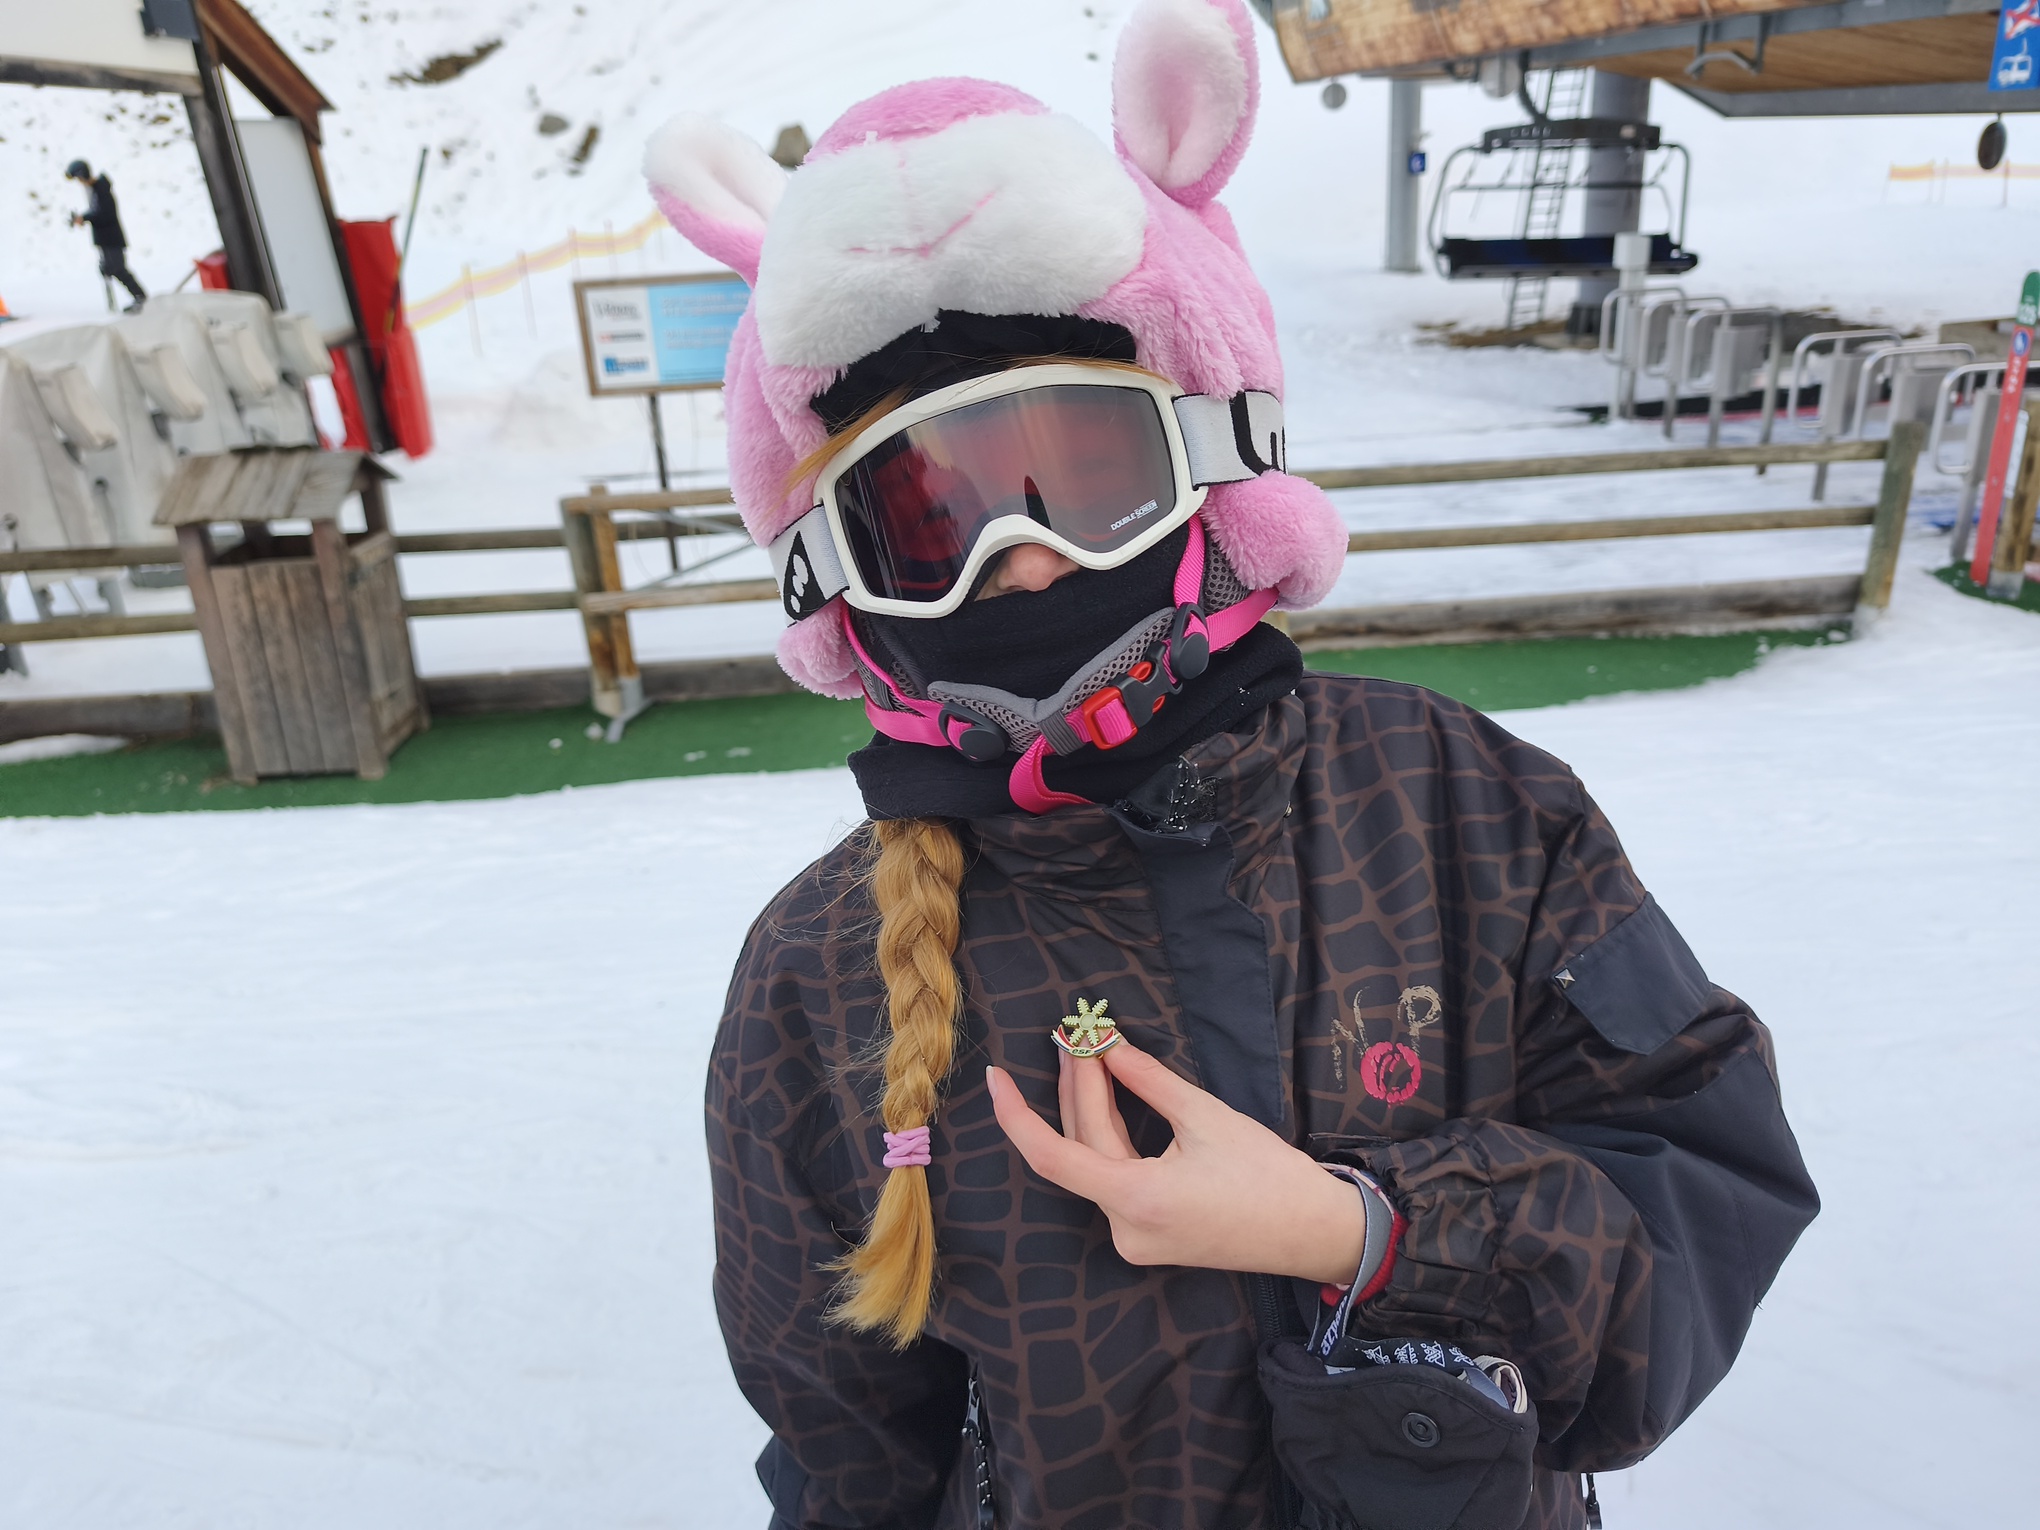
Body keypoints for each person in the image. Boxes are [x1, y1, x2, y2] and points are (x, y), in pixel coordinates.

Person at [657, 3, 1819, 1526]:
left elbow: (1704, 1203)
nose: (1024, 562)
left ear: (1213, 461)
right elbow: (844, 1449)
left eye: (1087, 477)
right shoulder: (820, 974)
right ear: (841, 585)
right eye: (933, 524)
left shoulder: (1457, 805)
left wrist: (1362, 1232)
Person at [65, 159, 146, 310]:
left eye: (79, 178)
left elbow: (105, 214)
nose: (80, 183)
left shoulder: (101, 189)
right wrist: (85, 218)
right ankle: (139, 298)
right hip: (106, 239)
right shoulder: (96, 190)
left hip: (111, 239)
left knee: (118, 269)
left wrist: (85, 218)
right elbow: (97, 213)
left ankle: (141, 298)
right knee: (111, 269)